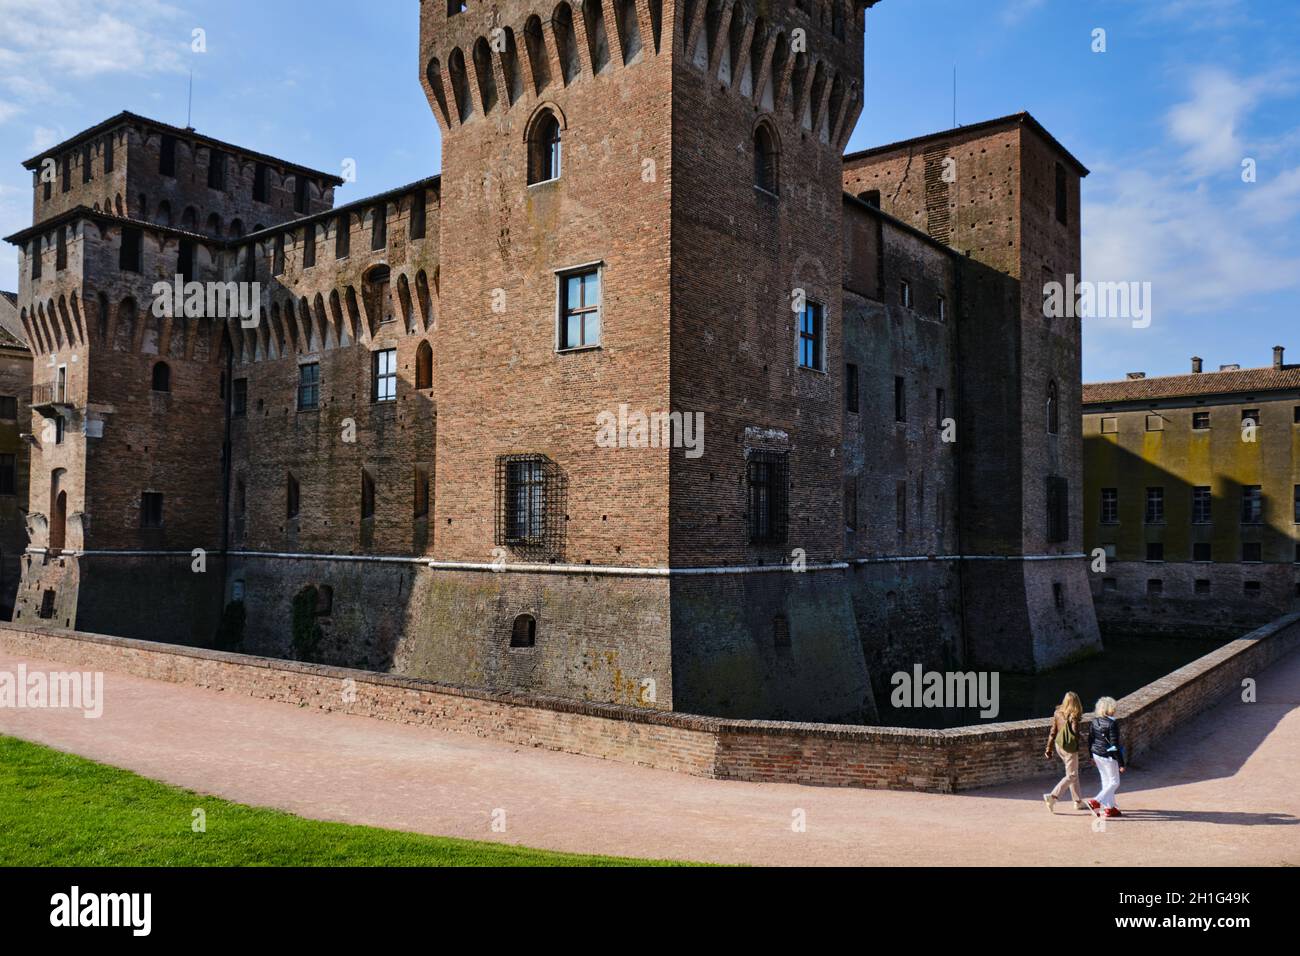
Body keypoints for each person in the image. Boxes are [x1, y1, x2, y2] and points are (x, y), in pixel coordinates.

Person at [1042, 691, 1086, 812]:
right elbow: (1075, 733)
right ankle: (1053, 796)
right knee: (1071, 775)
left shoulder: (1057, 713)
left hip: (1059, 745)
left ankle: (1077, 802)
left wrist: (1048, 749)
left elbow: (1053, 732)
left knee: (1073, 773)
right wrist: (1083, 737)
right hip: (1069, 748)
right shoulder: (1074, 715)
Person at [1087, 696, 1126, 818]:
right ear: (1110, 709)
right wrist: (1121, 763)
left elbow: (1090, 739)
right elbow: (1114, 745)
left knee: (1106, 781)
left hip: (1097, 754)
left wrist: (1090, 755)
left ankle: (1109, 808)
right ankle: (1095, 801)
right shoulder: (1112, 723)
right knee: (1114, 782)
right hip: (1108, 756)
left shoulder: (1095, 721)